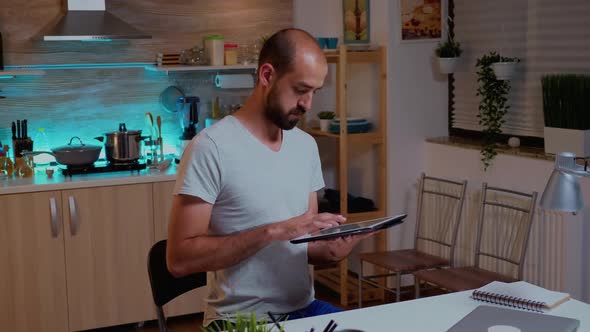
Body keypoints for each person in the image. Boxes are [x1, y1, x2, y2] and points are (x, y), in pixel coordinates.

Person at [167, 28, 375, 328]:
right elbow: (179, 260)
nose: (308, 104)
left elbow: (302, 245)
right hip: (236, 320)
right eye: (301, 90)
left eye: (315, 92)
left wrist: (329, 252)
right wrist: (272, 231)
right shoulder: (210, 148)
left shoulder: (305, 146)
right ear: (267, 75)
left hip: (303, 310)